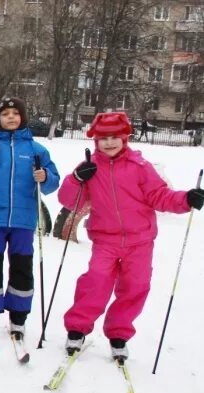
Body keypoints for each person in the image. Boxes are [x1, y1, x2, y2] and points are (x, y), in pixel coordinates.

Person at [59, 112, 204, 360]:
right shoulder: (90, 168)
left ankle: (119, 333)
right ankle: (77, 328)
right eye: (104, 138)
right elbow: (69, 200)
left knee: (135, 286)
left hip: (140, 241)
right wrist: (76, 179)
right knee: (96, 281)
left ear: (125, 138)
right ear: (95, 141)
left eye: (115, 137)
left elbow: (160, 196)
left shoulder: (140, 167)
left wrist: (185, 199)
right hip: (105, 239)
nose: (109, 143)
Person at [0, 97, 60, 338]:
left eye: (15, 113)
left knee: (22, 267)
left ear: (22, 117)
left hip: (23, 220)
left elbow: (53, 182)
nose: (10, 117)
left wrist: (45, 176)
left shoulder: (36, 150)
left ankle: (18, 317)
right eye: (5, 114)